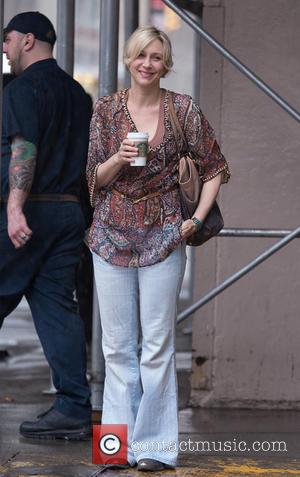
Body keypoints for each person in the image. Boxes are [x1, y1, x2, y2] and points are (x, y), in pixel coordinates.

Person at [86, 26, 230, 470]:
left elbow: (215, 167)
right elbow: (92, 178)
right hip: (110, 235)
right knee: (116, 348)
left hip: (165, 235)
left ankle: (154, 450)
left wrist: (197, 219)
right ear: (129, 59)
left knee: (157, 346)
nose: (147, 63)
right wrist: (118, 159)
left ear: (165, 64)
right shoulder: (106, 110)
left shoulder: (183, 109)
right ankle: (115, 450)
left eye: (156, 57)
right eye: (140, 55)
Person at [0, 11, 92, 439]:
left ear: (28, 40)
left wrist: (15, 209)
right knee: (58, 308)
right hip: (68, 212)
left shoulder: (22, 88)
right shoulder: (78, 94)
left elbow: (25, 147)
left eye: (8, 40)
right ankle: (73, 408)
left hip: (29, 209)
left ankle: (72, 406)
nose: (4, 49)